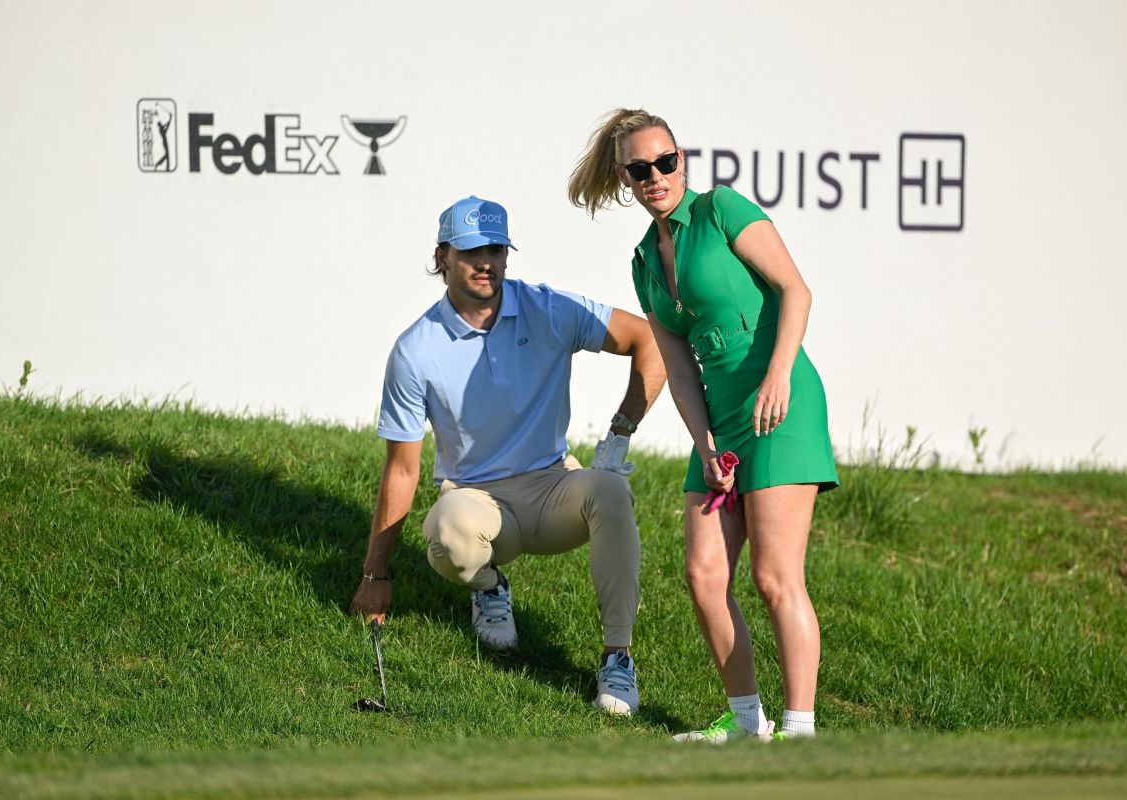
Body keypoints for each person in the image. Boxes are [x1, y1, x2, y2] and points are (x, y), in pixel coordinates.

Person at [568, 110, 839, 741]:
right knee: (704, 575)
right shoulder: (643, 261)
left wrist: (778, 376)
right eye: (641, 169)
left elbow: (796, 291)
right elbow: (679, 365)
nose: (656, 177)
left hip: (782, 404)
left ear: (681, 160)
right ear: (625, 178)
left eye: (666, 162)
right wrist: (703, 442)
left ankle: (800, 733)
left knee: (775, 577)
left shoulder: (722, 211)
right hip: (720, 421)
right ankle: (746, 723)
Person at [349, 195, 666, 716]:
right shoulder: (415, 349)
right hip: (476, 500)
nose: (486, 263)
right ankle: (490, 587)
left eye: (495, 250)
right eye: (471, 252)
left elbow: (648, 339)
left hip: (553, 488)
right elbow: (402, 469)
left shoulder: (548, 309)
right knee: (446, 531)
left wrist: (620, 431)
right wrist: (375, 576)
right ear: (442, 257)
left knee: (610, 489)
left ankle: (617, 658)